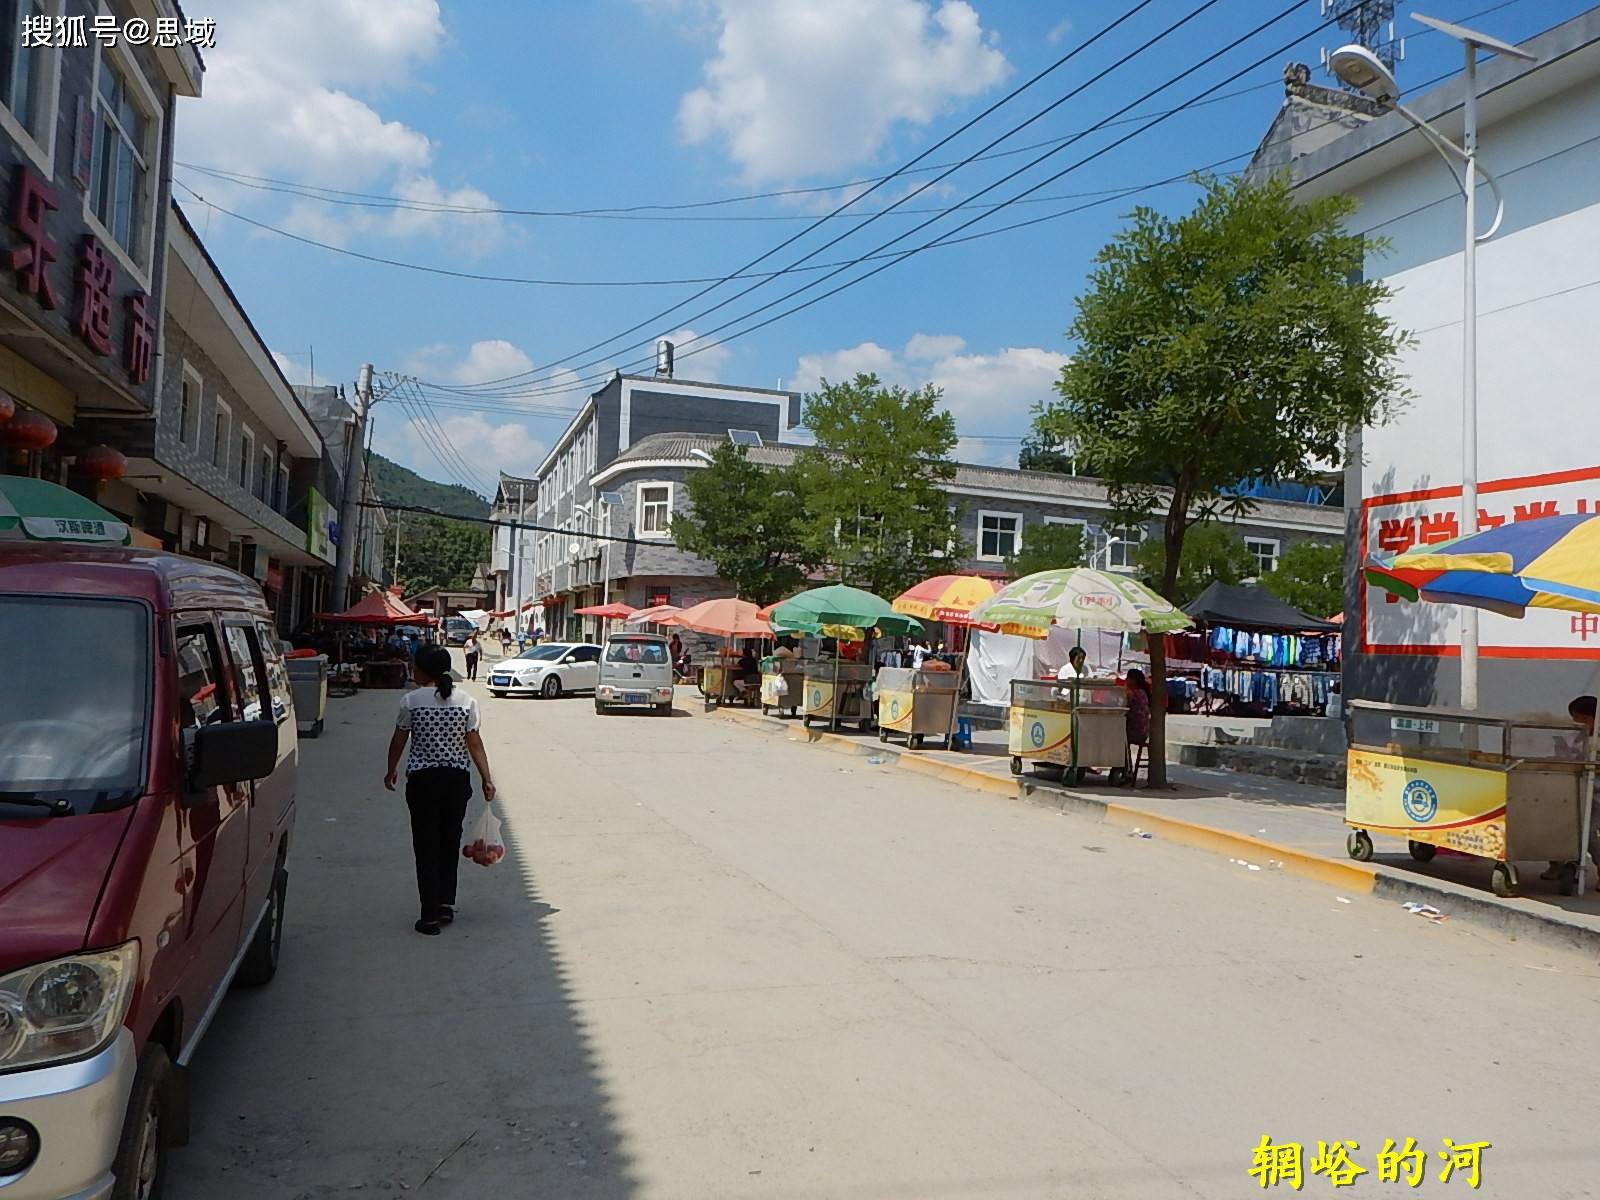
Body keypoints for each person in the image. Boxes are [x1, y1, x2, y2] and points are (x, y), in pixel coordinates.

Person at [384, 645, 497, 936]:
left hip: (423, 782)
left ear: (423, 670)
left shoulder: (411, 701)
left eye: (415, 665)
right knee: (449, 841)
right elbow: (474, 743)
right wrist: (486, 778)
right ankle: (446, 903)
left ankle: (429, 915)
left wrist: (391, 769)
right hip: (456, 782)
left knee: (426, 845)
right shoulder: (467, 701)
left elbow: (399, 740)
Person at [1542, 695, 1597, 881]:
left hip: (1595, 795)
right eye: (1574, 717)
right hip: (1570, 790)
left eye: (1582, 717)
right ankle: (1556, 864)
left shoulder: (1597, 739)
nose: (1577, 721)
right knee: (1555, 825)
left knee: (1590, 834)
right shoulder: (1571, 736)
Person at [1124, 668, 1152, 751]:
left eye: (1128, 678)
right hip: (1142, 731)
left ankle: (1123, 761)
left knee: (1117, 734)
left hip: (1137, 731)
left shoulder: (1135, 693)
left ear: (1134, 680)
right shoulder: (1142, 692)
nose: (1126, 680)